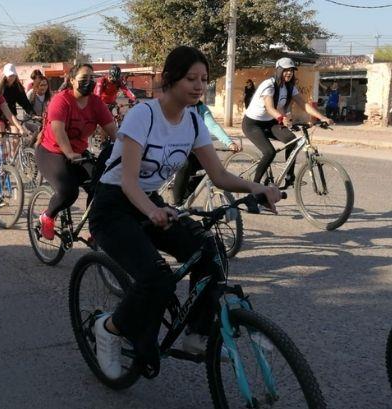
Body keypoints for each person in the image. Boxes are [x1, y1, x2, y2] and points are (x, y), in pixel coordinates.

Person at [88, 46, 282, 378]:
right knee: (155, 277)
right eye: (191, 78)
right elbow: (129, 183)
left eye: (204, 79)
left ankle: (198, 332)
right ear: (170, 79)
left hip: (148, 203)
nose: (198, 86)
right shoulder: (143, 115)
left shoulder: (193, 121)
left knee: (209, 248)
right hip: (113, 205)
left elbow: (218, 175)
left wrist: (256, 188)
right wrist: (153, 211)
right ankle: (109, 329)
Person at [35, 63, 117, 240]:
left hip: (78, 154)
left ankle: (95, 229)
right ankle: (47, 216)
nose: (88, 82)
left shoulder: (96, 103)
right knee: (68, 191)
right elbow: (58, 130)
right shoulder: (61, 100)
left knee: (100, 188)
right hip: (52, 151)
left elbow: (112, 130)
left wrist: (130, 148)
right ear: (72, 81)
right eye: (83, 79)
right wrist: (69, 153)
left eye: (91, 79)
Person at [243, 57, 333, 187]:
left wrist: (322, 117)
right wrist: (281, 118)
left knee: (292, 141)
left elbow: (303, 104)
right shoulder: (269, 85)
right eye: (285, 70)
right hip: (252, 124)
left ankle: (290, 177)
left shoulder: (290, 87)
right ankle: (254, 187)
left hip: (270, 122)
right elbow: (269, 107)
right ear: (278, 70)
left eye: (291, 70)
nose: (289, 73)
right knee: (269, 152)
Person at [170, 100, 240, 205]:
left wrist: (229, 143)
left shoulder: (200, 107)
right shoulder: (176, 104)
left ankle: (185, 194)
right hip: (173, 147)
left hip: (193, 149)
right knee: (185, 164)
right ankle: (176, 204)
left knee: (212, 167)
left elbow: (213, 126)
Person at [0, 63, 35, 135]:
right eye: (10, 75)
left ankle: (13, 146)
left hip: (11, 115)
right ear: (5, 76)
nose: (12, 77)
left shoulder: (17, 87)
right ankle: (0, 146)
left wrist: (32, 113)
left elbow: (24, 102)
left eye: (13, 75)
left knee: (16, 135)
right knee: (0, 135)